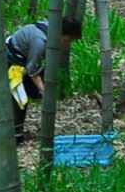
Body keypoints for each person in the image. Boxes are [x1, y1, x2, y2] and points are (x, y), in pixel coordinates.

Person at [6, 16, 83, 144]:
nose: (66, 43)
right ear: (61, 34)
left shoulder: (51, 28)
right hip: (12, 61)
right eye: (66, 40)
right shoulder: (40, 40)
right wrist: (43, 89)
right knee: (19, 99)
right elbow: (32, 70)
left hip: (26, 61)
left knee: (33, 92)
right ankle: (15, 135)